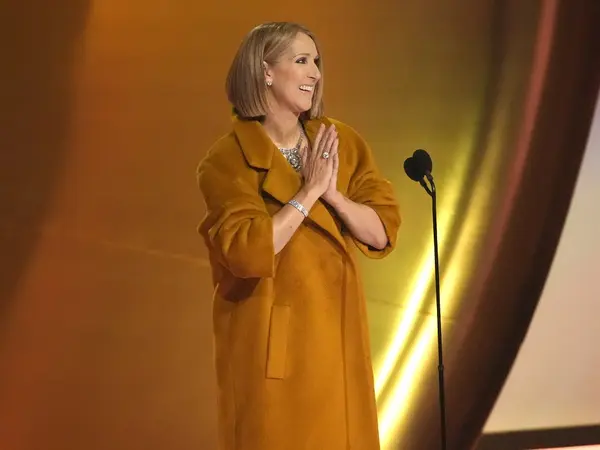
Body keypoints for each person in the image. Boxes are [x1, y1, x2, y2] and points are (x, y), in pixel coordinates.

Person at [196, 21, 401, 450]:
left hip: (340, 342)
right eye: (302, 60)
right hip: (274, 350)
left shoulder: (339, 142)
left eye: (317, 62)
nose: (315, 74)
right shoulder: (229, 159)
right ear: (266, 71)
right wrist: (307, 194)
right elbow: (246, 251)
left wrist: (334, 196)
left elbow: (381, 232)